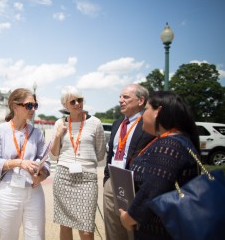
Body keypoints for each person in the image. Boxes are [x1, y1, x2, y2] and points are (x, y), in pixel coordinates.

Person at [119, 91, 200, 239]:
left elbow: (152, 191)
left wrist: (128, 217)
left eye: (146, 109)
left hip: (160, 232)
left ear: (158, 111)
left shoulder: (169, 146)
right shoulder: (176, 140)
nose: (143, 115)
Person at [0, 88, 50, 240]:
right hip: (8, 191)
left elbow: (46, 163)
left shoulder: (37, 133)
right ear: (15, 106)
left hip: (34, 191)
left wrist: (41, 176)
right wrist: (18, 163)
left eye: (35, 106)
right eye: (29, 105)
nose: (33, 109)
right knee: (8, 237)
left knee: (36, 237)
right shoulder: (0, 130)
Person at [50, 86, 106, 240]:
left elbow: (101, 154)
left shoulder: (95, 122)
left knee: (87, 229)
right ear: (65, 106)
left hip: (87, 178)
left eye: (79, 100)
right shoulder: (59, 123)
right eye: (72, 101)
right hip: (63, 177)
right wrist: (57, 136)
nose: (77, 104)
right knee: (65, 224)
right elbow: (54, 155)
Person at [103, 83, 154, 240]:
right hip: (112, 183)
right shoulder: (117, 123)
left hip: (134, 185)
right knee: (113, 230)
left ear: (140, 101)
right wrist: (107, 180)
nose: (120, 100)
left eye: (126, 97)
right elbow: (111, 153)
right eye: (120, 96)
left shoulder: (148, 124)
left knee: (133, 231)